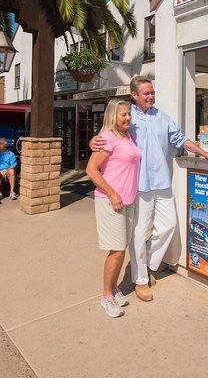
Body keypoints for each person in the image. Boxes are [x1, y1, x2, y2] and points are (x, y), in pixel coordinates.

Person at [91, 76, 208, 302]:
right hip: (138, 185)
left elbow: (180, 139)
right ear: (134, 95)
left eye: (152, 93)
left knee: (168, 225)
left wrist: (203, 152)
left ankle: (147, 264)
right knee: (139, 232)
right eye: (146, 93)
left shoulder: (162, 117)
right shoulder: (126, 116)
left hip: (162, 182)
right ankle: (140, 279)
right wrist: (94, 141)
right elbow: (109, 134)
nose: (151, 96)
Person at [86, 99, 141, 318]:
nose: (127, 118)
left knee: (121, 249)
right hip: (112, 201)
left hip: (128, 200)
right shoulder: (107, 138)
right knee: (117, 251)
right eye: (123, 115)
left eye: (128, 114)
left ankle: (115, 286)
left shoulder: (126, 136)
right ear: (112, 116)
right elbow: (91, 170)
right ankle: (106, 296)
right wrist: (112, 193)